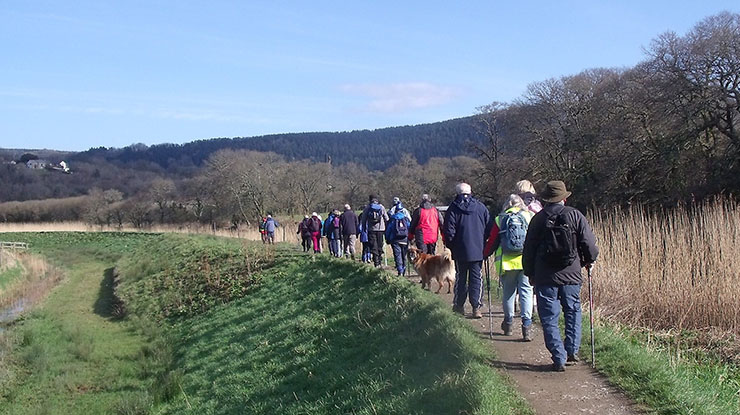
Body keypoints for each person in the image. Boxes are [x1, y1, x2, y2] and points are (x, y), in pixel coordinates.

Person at [522, 180, 599, 372]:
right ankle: (571, 350)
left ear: (546, 199)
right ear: (564, 198)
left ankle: (558, 356)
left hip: (545, 275)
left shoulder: (538, 219)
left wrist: (530, 273)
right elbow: (588, 243)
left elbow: (529, 249)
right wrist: (590, 260)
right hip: (571, 274)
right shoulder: (575, 215)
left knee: (548, 316)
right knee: (572, 311)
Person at [483, 194, 534, 341]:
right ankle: (527, 327)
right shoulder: (529, 216)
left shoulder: (501, 218)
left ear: (507, 204)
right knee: (526, 293)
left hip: (506, 263)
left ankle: (509, 324)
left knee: (509, 294)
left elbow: (493, 240)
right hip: (525, 262)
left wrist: (485, 254)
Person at [443, 183, 492, 319]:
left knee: (461, 278)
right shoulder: (481, 207)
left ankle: (459, 306)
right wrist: (483, 242)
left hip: (460, 250)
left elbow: (449, 231)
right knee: (477, 278)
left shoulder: (453, 208)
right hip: (478, 250)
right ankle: (476, 307)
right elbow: (489, 227)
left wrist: (452, 246)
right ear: (470, 192)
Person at [361, 195, 389, 267]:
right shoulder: (381, 207)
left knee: (374, 246)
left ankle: (376, 262)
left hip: (371, 229)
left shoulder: (368, 208)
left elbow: (363, 219)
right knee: (380, 245)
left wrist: (364, 228)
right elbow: (386, 218)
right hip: (381, 229)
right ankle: (379, 260)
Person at [386, 202, 411, 276]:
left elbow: (389, 230)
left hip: (395, 240)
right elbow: (410, 227)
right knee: (404, 255)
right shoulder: (405, 219)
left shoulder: (393, 219)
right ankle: (404, 269)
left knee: (397, 255)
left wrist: (387, 239)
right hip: (405, 239)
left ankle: (400, 270)